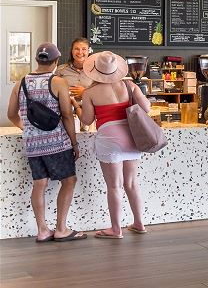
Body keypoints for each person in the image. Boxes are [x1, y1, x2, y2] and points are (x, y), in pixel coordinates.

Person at [6, 42, 87, 243]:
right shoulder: (58, 82)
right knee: (68, 180)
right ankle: (61, 229)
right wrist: (74, 143)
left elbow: (11, 115)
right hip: (56, 143)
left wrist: (28, 130)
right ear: (56, 60)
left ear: (37, 59)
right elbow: (67, 116)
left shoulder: (21, 82)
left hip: (32, 145)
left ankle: (42, 230)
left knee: (39, 184)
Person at [80, 51, 150, 239]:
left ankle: (116, 229)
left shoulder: (90, 92)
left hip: (109, 139)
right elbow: (147, 108)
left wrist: (77, 107)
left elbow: (86, 120)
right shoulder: (130, 85)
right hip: (131, 137)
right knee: (131, 183)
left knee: (114, 186)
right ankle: (139, 223)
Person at [56, 37, 93, 123]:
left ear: (89, 51)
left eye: (84, 49)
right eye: (76, 49)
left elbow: (101, 93)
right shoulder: (61, 70)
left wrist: (85, 93)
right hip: (66, 115)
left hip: (90, 115)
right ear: (72, 51)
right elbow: (54, 91)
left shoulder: (95, 71)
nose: (80, 52)